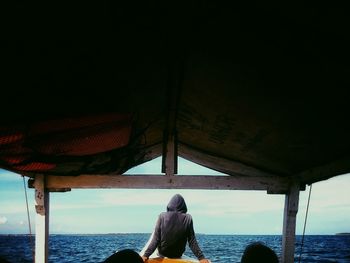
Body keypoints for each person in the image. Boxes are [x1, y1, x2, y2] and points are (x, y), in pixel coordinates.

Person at [141, 194, 210, 263]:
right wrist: (201, 258)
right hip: (178, 254)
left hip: (163, 253)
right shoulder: (188, 218)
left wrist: (146, 255)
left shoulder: (162, 216)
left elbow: (156, 239)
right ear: (184, 206)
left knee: (155, 234)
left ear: (169, 205)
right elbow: (192, 241)